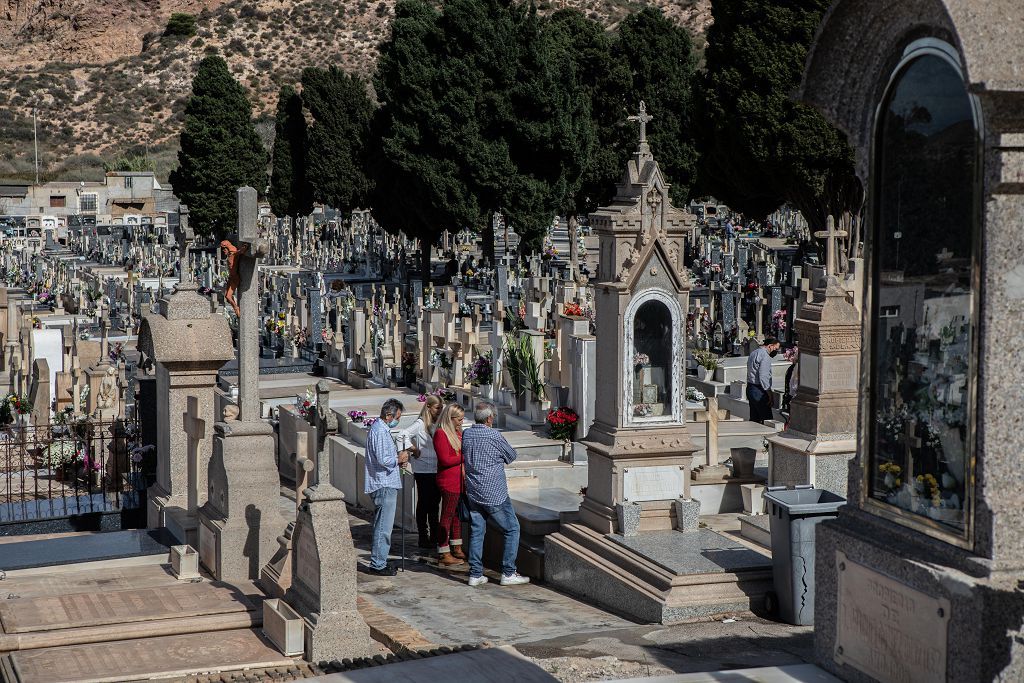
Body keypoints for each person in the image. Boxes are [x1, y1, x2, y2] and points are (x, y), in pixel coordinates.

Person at [461, 402, 529, 587]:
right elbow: (511, 456)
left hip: (474, 490)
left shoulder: (467, 434)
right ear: (490, 418)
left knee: (477, 531)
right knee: (512, 528)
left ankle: (475, 574)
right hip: (494, 492)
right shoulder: (494, 435)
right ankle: (508, 572)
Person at [364, 398, 410, 576]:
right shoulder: (380, 431)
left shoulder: (380, 430)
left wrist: (398, 461)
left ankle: (380, 559)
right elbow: (384, 460)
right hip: (383, 484)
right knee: (384, 527)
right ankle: (377, 564)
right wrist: (400, 458)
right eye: (397, 416)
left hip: (385, 482)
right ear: (389, 415)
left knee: (383, 525)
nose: (398, 419)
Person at [400, 395, 443, 550]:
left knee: (434, 503)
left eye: (441, 408)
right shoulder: (419, 424)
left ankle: (435, 536)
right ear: (429, 407)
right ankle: (423, 536)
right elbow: (402, 435)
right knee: (424, 502)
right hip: (423, 469)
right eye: (437, 407)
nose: (439, 411)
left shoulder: (438, 424)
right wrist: (413, 449)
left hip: (436, 468)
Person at [433, 403, 466, 567]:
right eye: (459, 419)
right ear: (450, 418)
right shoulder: (441, 433)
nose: (461, 422)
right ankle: (443, 550)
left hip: (458, 481)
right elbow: (445, 460)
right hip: (448, 481)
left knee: (456, 515)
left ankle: (456, 546)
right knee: (446, 516)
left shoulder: (457, 433)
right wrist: (464, 457)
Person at [746, 337, 780, 424]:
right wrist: (769, 394)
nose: (776, 351)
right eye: (776, 349)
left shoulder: (754, 352)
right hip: (759, 390)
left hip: (750, 387)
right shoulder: (765, 356)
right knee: (767, 420)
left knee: (754, 420)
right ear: (770, 346)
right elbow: (763, 376)